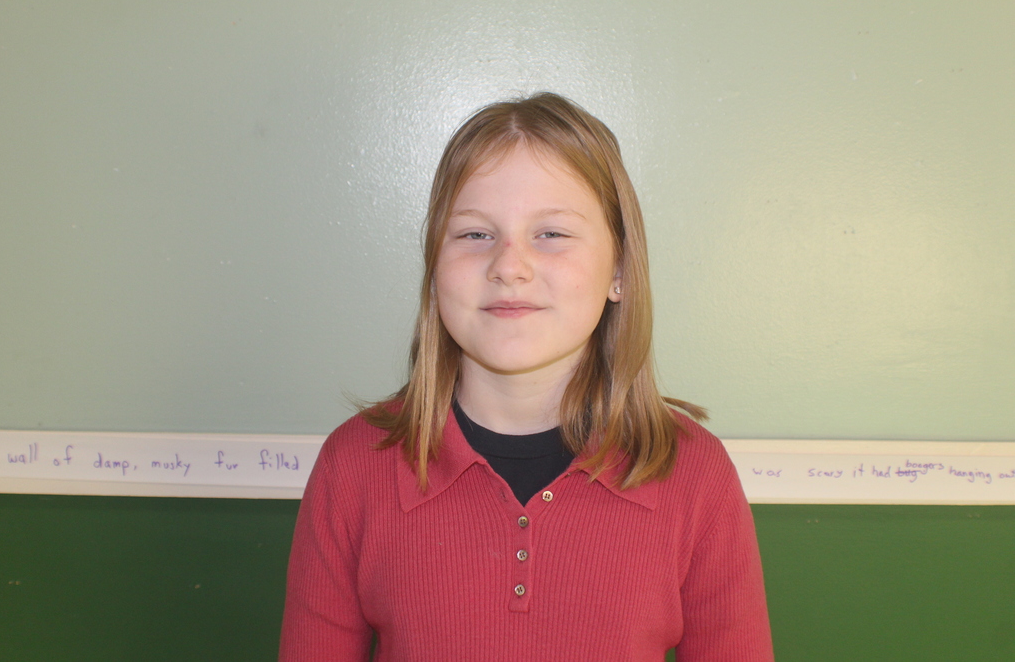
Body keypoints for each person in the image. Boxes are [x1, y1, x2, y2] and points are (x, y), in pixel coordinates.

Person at [279, 93, 774, 661]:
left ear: (618, 271)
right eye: (474, 235)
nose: (509, 265)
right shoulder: (354, 467)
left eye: (552, 234)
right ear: (434, 270)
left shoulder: (694, 474)